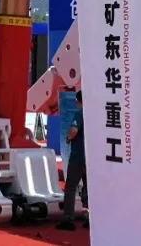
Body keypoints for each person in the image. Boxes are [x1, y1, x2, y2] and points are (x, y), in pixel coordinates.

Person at [56, 90, 88, 231]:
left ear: (79, 101)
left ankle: (68, 219)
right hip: (89, 158)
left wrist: (69, 138)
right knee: (88, 188)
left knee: (70, 187)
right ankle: (90, 218)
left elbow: (74, 130)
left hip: (78, 157)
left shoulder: (79, 114)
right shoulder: (94, 115)